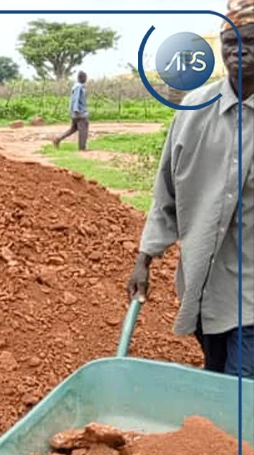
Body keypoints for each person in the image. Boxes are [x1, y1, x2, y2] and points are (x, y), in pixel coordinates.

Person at [127, 4, 254, 377]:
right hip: (207, 285)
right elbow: (167, 193)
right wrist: (144, 258)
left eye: (249, 41)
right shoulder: (194, 111)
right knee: (217, 378)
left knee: (239, 388)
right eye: (229, 42)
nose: (237, 51)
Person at [53, 71, 89, 151]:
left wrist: (72, 111)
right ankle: (82, 148)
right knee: (83, 130)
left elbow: (72, 100)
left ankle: (58, 139)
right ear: (82, 78)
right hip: (80, 113)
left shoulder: (76, 86)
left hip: (75, 113)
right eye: (85, 77)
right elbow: (75, 99)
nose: (86, 79)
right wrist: (76, 110)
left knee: (73, 129)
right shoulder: (79, 87)